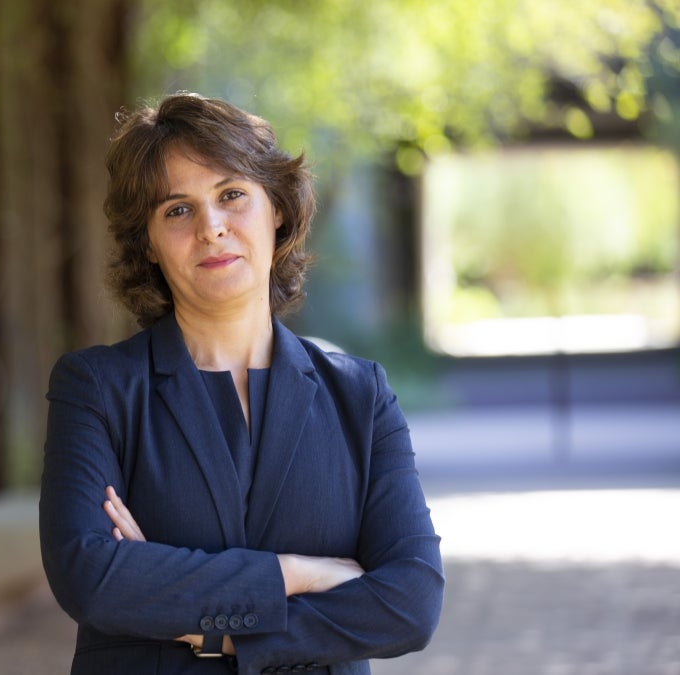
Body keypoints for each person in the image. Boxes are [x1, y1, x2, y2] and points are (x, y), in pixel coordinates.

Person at [38, 92, 444, 675]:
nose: (211, 228)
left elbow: (411, 603)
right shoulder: (98, 389)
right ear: (148, 242)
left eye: (232, 195)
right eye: (177, 210)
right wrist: (301, 575)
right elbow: (91, 576)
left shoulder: (361, 396)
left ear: (276, 208)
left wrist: (209, 626)